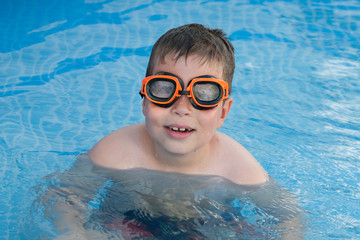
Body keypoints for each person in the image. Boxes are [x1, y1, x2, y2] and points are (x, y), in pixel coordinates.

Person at [89, 23, 269, 185]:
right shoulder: (112, 153)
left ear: (223, 112)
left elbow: (288, 218)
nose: (182, 109)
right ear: (145, 101)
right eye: (165, 89)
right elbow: (69, 202)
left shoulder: (241, 173)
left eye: (204, 93)